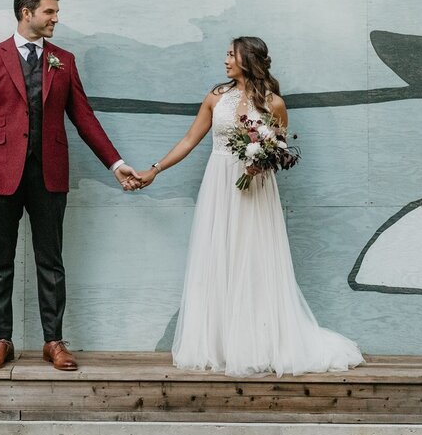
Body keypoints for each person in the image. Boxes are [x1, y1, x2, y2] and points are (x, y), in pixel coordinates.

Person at [133, 37, 363, 376]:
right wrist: (155, 169)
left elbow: (280, 149)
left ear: (248, 59)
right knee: (218, 257)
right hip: (219, 184)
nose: (226, 59)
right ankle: (220, 343)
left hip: (255, 190)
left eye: (231, 54)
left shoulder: (274, 104)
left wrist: (262, 163)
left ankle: (256, 343)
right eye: (227, 54)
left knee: (254, 260)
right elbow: (188, 140)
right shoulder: (216, 97)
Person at [0, 0, 140, 371]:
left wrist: (115, 163)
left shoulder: (64, 60)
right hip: (1, 175)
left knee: (51, 260)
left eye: (56, 12)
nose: (56, 18)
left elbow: (84, 117)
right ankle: (1, 340)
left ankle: (53, 341)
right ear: (27, 13)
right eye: (50, 12)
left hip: (49, 174)